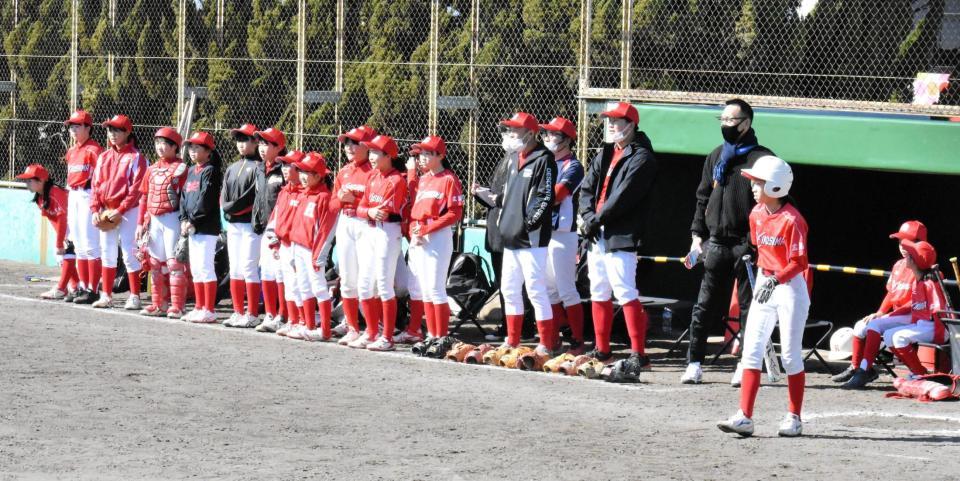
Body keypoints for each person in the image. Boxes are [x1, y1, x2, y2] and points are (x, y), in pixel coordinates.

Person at [682, 98, 774, 385]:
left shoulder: (763, 159)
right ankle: (694, 363)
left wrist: (753, 243)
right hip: (716, 243)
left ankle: (744, 366)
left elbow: (772, 204)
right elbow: (702, 197)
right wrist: (697, 235)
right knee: (704, 306)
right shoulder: (716, 156)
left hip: (746, 247)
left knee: (750, 309)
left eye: (730, 121)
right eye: (721, 120)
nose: (724, 125)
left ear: (745, 124)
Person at [717, 155, 809, 438]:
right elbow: (758, 248)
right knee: (751, 350)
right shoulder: (756, 214)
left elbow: (799, 263)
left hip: (790, 286)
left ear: (776, 186)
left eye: (759, 182)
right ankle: (745, 417)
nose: (753, 187)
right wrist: (764, 274)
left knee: (791, 356)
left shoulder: (793, 220)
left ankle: (794, 417)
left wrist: (775, 279)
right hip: (765, 284)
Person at [579, 102, 657, 369]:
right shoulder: (605, 152)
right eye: (609, 120)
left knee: (624, 289)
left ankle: (639, 354)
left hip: (621, 232)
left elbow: (624, 196)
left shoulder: (642, 157)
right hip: (597, 230)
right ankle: (603, 350)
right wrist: (589, 217)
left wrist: (596, 219)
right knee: (598, 288)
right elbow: (587, 188)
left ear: (632, 125)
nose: (611, 125)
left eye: (617, 121)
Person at [484, 111, 557, 356]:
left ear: (530, 133)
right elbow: (509, 197)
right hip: (510, 238)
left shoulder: (543, 159)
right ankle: (512, 339)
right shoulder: (514, 158)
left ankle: (545, 343)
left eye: (515, 130)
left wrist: (528, 224)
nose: (511, 135)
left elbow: (545, 197)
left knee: (536, 290)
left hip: (531, 239)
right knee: (509, 288)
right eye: (510, 130)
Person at [843, 239, 947, 388]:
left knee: (898, 336)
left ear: (915, 261)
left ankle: (920, 375)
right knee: (889, 335)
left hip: (935, 326)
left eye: (910, 255)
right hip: (922, 324)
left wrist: (938, 332)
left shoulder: (929, 283)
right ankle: (918, 372)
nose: (906, 256)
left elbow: (939, 312)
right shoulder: (917, 281)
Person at [831, 220, 926, 384]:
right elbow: (891, 292)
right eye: (900, 242)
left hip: (914, 315)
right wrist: (881, 312)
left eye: (907, 241)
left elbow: (918, 302)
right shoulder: (899, 264)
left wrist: (888, 316)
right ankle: (856, 367)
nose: (902, 246)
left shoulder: (923, 267)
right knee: (861, 326)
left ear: (919, 243)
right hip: (898, 314)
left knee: (875, 325)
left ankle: (865, 370)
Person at [350, 134, 408, 351]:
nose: (371, 156)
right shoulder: (373, 177)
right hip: (371, 231)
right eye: (370, 152)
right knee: (365, 284)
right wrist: (369, 211)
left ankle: (387, 337)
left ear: (388, 155)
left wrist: (369, 211)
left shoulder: (396, 179)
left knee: (384, 285)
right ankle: (371, 332)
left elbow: (385, 211)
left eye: (376, 152)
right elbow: (360, 208)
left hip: (388, 233)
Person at [406, 135, 464, 341]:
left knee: (435, 287)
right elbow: (415, 210)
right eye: (420, 153)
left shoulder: (449, 179)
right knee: (424, 289)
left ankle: (441, 336)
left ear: (440, 155)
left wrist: (428, 227)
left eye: (427, 153)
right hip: (420, 235)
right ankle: (432, 335)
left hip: (438, 235)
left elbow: (455, 212)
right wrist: (415, 228)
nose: (421, 157)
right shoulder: (423, 179)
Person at [90, 114, 147, 309]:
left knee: (129, 253)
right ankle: (106, 295)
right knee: (107, 252)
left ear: (128, 132)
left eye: (117, 130)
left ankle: (135, 296)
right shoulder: (104, 156)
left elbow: (137, 189)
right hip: (107, 209)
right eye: (109, 129)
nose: (112, 134)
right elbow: (95, 186)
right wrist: (95, 209)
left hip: (129, 210)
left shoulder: (137, 157)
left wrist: (121, 210)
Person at [539, 117, 585, 354]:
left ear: (567, 140)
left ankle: (577, 341)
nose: (548, 138)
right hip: (543, 232)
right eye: (546, 134)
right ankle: (553, 339)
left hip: (563, 233)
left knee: (566, 289)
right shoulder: (543, 163)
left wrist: (534, 200)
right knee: (548, 289)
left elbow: (557, 195)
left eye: (554, 134)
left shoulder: (573, 166)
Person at [331, 125, 378, 346]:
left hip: (367, 225)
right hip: (346, 222)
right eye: (347, 143)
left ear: (368, 146)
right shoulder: (344, 171)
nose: (349, 147)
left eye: (354, 142)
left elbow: (378, 204)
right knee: (348, 278)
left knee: (369, 280)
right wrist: (342, 199)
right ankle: (352, 328)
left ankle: (372, 328)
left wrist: (355, 200)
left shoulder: (374, 172)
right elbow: (332, 205)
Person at [135, 127, 188, 317]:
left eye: (164, 143)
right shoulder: (151, 169)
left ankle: (177, 306)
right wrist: (141, 223)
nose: (160, 147)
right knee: (156, 264)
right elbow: (144, 197)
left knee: (174, 264)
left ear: (175, 147)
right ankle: (159, 304)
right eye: (157, 143)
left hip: (173, 217)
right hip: (155, 219)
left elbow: (186, 197)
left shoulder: (181, 169)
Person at [285, 152, 338, 341]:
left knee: (319, 287)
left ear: (319, 175)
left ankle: (324, 330)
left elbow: (326, 229)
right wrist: (292, 250)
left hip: (312, 251)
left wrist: (320, 254)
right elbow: (296, 225)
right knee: (303, 287)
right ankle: (309, 326)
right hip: (298, 247)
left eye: (308, 172)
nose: (303, 176)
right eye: (301, 171)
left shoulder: (324, 197)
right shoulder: (303, 194)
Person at [220, 123, 263, 328]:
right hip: (234, 225)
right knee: (235, 268)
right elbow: (224, 195)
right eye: (238, 140)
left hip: (249, 225)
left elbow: (252, 198)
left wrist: (232, 208)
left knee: (248, 267)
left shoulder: (259, 167)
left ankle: (252, 313)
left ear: (255, 141)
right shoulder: (232, 167)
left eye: (245, 139)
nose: (241, 144)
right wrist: (228, 209)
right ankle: (238, 312)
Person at [179, 131, 223, 323]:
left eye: (198, 148)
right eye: (191, 147)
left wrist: (193, 220)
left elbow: (206, 200)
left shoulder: (211, 170)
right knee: (195, 268)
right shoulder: (190, 171)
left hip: (205, 226)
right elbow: (183, 197)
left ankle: (209, 308)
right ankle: (199, 306)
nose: (193, 151)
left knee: (205, 267)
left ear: (208, 151)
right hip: (192, 226)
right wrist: (183, 218)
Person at [17, 164, 78, 298]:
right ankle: (75, 285)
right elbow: (54, 221)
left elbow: (63, 219)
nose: (26, 183)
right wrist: (61, 240)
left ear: (41, 180)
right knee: (61, 256)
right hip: (67, 227)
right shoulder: (40, 198)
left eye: (29, 180)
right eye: (26, 181)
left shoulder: (56, 192)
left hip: (78, 223)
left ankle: (62, 288)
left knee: (67, 251)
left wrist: (60, 243)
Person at [62, 110, 104, 304]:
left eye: (77, 126)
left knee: (90, 244)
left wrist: (100, 203)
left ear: (88, 128)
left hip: (89, 194)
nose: (73, 129)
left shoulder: (94, 150)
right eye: (71, 126)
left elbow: (101, 178)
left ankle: (92, 289)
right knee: (77, 244)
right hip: (74, 194)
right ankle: (83, 287)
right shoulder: (71, 151)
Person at [252, 128, 289, 332]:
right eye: (261, 143)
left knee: (280, 273)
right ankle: (270, 313)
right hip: (264, 228)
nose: (262, 148)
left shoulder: (284, 169)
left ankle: (283, 314)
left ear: (280, 147)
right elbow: (259, 198)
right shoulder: (260, 168)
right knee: (266, 271)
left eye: (267, 144)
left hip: (281, 230)